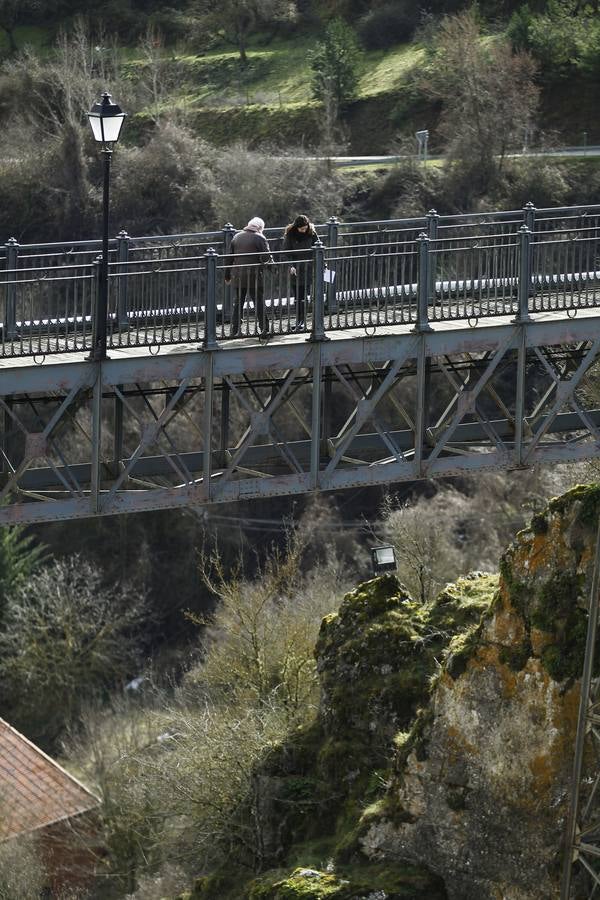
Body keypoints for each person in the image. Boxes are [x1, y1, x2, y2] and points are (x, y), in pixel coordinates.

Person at [224, 217, 274, 337]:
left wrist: (227, 275)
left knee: (238, 303)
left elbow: (229, 258)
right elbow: (266, 258)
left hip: (238, 275)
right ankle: (264, 330)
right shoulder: (260, 238)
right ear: (260, 228)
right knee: (259, 302)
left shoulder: (236, 237)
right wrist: (274, 269)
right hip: (255, 276)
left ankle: (235, 330)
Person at [281, 214, 319, 330]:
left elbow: (319, 248)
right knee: (297, 295)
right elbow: (286, 253)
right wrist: (291, 265)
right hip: (295, 269)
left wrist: (324, 264)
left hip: (308, 267)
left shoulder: (311, 233)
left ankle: (302, 321)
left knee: (304, 295)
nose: (304, 230)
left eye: (305, 228)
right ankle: (299, 320)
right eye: (301, 228)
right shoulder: (290, 235)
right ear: (296, 227)